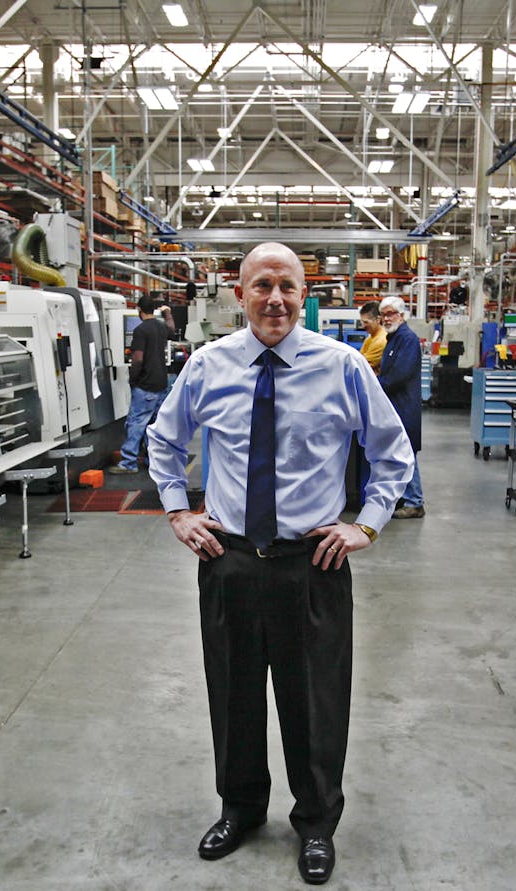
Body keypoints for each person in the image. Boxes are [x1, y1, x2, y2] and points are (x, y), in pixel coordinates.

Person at [146, 243, 413, 886]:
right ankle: (240, 809)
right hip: (231, 558)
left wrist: (366, 523)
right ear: (238, 295)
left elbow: (392, 451)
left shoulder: (343, 365)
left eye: (287, 286)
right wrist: (180, 511)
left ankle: (316, 823)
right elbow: (164, 437)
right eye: (261, 285)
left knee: (314, 701)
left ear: (303, 293)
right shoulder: (209, 366)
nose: (275, 299)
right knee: (234, 694)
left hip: (310, 564)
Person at [107, 294, 171, 474]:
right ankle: (153, 460)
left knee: (136, 423)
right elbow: (172, 330)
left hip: (145, 385)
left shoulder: (140, 330)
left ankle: (128, 463)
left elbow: (137, 359)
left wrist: (133, 379)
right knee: (153, 425)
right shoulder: (161, 327)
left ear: (139, 310)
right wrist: (168, 314)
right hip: (161, 384)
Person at [376, 295, 424, 518]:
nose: (386, 318)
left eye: (390, 314)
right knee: (399, 453)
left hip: (404, 406)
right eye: (383, 314)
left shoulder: (408, 339)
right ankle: (405, 498)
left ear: (402, 315)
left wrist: (373, 387)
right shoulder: (393, 337)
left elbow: (399, 375)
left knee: (407, 453)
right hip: (394, 405)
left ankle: (415, 502)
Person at [357, 301, 386, 373]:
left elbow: (361, 365)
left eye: (366, 322)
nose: (363, 326)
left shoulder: (381, 341)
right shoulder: (371, 338)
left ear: (378, 319)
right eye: (362, 322)